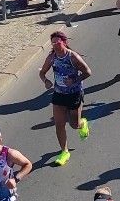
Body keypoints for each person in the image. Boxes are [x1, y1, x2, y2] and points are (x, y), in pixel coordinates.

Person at [39, 30, 92, 165]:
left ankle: (82, 123)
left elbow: (87, 72)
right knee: (59, 125)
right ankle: (64, 152)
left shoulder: (72, 57)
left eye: (58, 41)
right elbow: (42, 73)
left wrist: (75, 80)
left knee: (74, 125)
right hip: (59, 94)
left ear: (64, 42)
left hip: (74, 94)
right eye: (53, 42)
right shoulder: (52, 58)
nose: (55, 44)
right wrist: (46, 81)